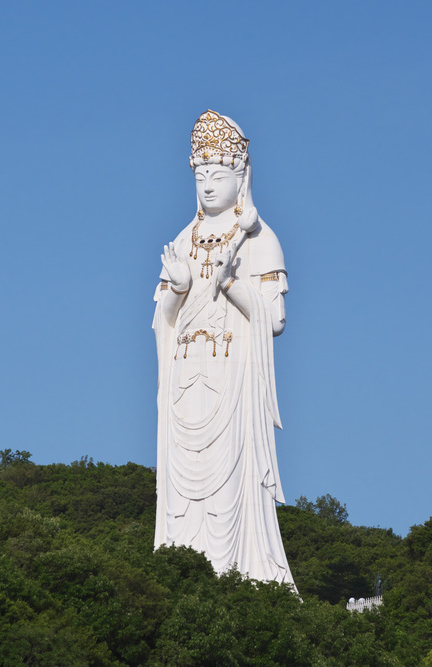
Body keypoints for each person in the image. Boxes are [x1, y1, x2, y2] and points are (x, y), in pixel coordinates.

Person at [152, 110, 295, 586]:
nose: (209, 185)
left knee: (231, 487)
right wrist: (177, 288)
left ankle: (242, 577)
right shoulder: (182, 240)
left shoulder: (260, 239)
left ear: (241, 176)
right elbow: (162, 321)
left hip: (233, 381)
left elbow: (275, 320)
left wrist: (231, 284)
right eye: (201, 176)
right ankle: (177, 575)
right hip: (184, 384)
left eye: (218, 174)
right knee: (180, 492)